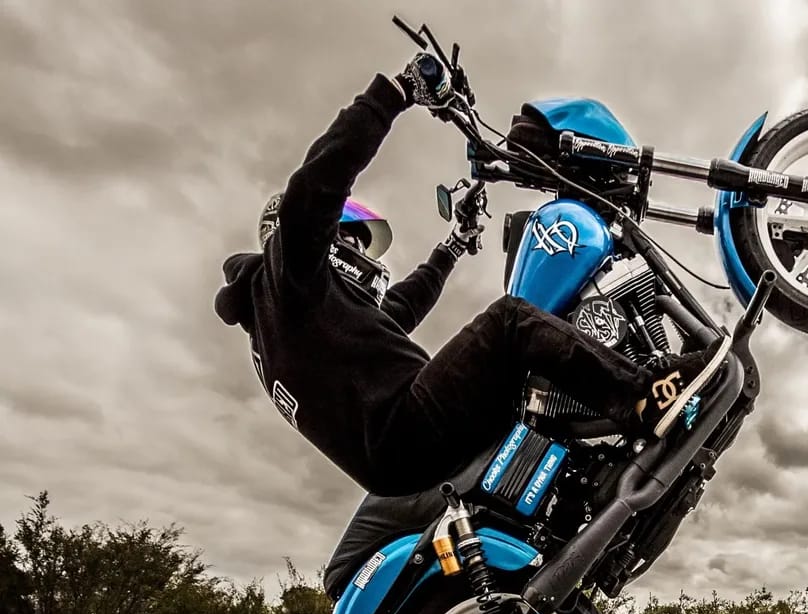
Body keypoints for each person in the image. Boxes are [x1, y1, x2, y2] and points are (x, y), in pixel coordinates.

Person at [215, 54, 729, 506]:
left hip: (401, 456)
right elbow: (316, 184)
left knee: (526, 356)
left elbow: (401, 310)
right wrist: (393, 94)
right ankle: (644, 394)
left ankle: (604, 439)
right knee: (509, 321)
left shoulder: (296, 321)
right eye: (352, 239)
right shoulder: (284, 284)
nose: (358, 251)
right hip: (405, 431)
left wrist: (454, 244)